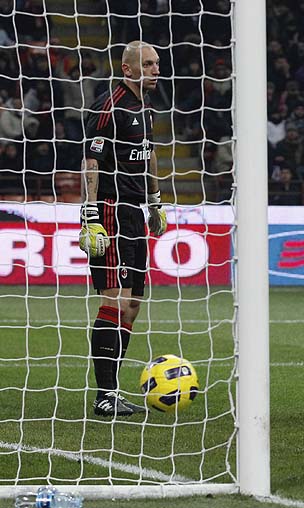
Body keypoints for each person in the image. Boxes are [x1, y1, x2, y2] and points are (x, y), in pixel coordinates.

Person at [79, 41, 166, 417]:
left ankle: (111, 391)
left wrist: (156, 200)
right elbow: (90, 160)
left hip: (134, 211)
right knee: (116, 299)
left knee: (131, 305)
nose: (155, 70)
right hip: (110, 209)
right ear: (128, 69)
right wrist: (90, 214)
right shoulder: (108, 106)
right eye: (147, 64)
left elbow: (150, 153)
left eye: (157, 64)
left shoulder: (147, 108)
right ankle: (105, 394)